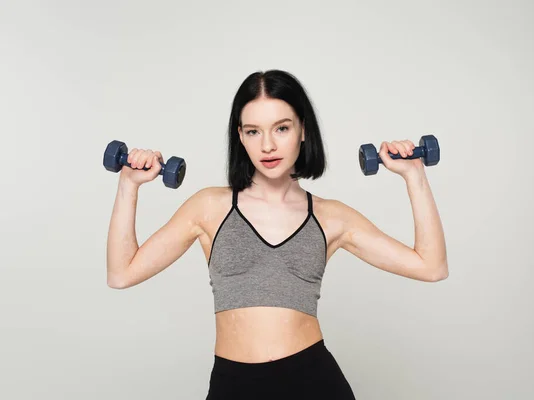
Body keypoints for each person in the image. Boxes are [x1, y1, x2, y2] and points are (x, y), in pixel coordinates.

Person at [106, 69, 448, 399]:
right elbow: (122, 273)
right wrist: (129, 185)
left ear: (302, 130)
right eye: (253, 131)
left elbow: (430, 267)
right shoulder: (209, 207)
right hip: (233, 385)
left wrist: (414, 175)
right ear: (240, 136)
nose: (267, 145)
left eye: (281, 128)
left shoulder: (332, 217)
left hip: (313, 383)